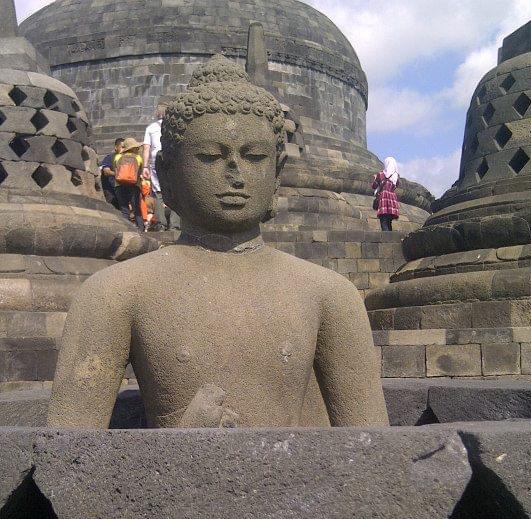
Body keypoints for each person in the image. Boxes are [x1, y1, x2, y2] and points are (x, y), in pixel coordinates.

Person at [46, 55, 388, 429]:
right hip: (168, 486)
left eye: (255, 157)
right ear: (168, 175)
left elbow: (374, 451)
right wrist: (179, 449)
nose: (235, 175)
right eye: (209, 157)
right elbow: (68, 455)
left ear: (277, 174)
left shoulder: (329, 295)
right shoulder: (114, 294)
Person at [142, 104, 177, 230]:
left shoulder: (150, 128)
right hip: (172, 160)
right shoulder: (173, 126)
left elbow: (146, 147)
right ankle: (175, 225)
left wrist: (145, 167)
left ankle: (161, 224)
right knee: (175, 191)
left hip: (156, 161)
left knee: (158, 192)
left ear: (157, 113)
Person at [112, 138, 144, 230]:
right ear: (133, 148)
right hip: (134, 186)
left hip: (119, 185)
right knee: (137, 210)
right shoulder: (138, 158)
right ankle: (141, 230)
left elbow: (115, 171)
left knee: (124, 210)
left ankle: (126, 230)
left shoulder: (117, 157)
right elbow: (140, 172)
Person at [372, 157, 401, 231]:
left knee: (383, 219)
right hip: (392, 197)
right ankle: (390, 237)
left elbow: (374, 186)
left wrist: (375, 178)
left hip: (384, 196)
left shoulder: (381, 174)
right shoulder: (396, 176)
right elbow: (397, 185)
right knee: (389, 220)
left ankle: (386, 237)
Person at [99, 138, 124, 209]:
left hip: (123, 190)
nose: (124, 150)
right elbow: (106, 172)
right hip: (111, 191)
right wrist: (119, 174)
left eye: (125, 147)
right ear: (116, 147)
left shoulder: (126, 158)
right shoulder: (110, 158)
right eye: (122, 147)